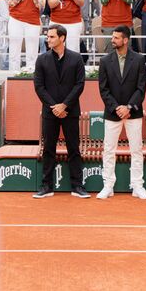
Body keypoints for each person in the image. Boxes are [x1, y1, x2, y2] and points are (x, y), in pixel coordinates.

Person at [33, 23, 89, 199]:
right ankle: (46, 187)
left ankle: (77, 186)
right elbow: (39, 87)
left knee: (74, 149)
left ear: (62, 38)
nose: (48, 39)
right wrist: (55, 107)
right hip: (50, 112)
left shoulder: (76, 58)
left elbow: (79, 85)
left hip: (70, 112)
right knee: (48, 149)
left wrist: (64, 105)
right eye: (47, 37)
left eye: (51, 37)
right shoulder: (41, 59)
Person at [97, 25, 146, 200]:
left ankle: (137, 186)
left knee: (136, 150)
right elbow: (103, 89)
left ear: (125, 40)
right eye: (112, 37)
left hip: (133, 112)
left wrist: (129, 107)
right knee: (108, 150)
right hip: (113, 113)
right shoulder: (105, 61)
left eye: (116, 38)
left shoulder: (139, 59)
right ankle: (108, 185)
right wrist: (116, 108)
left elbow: (141, 88)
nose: (112, 40)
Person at [6, 0, 45, 73]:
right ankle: (13, 74)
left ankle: (31, 75)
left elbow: (42, 5)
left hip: (33, 20)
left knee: (32, 52)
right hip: (16, 19)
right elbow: (10, 2)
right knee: (14, 50)